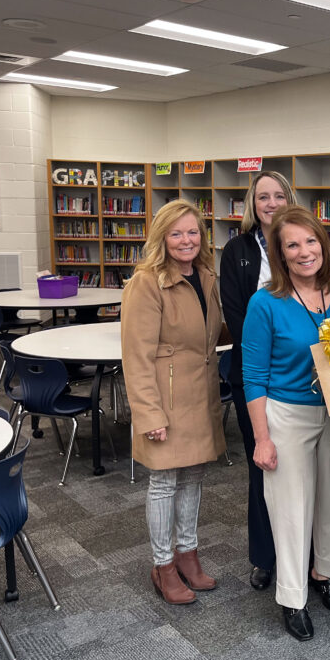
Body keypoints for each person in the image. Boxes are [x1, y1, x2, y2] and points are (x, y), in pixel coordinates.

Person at [241, 206, 330, 641]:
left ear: (323, 245)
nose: (304, 251)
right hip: (286, 414)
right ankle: (293, 597)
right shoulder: (265, 302)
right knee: (290, 509)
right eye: (292, 245)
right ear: (281, 253)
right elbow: (252, 375)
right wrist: (262, 438)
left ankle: (326, 574)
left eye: (311, 241)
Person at [121, 198, 226, 606]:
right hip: (164, 398)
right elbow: (136, 355)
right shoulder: (146, 283)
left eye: (193, 231)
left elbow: (213, 333)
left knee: (194, 476)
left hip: (200, 394)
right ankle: (163, 565)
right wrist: (148, 413)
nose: (187, 240)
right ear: (162, 238)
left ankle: (187, 554)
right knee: (164, 482)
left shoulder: (206, 276)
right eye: (177, 233)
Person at [220, 171, 297, 592]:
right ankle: (265, 557)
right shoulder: (237, 250)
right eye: (262, 196)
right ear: (253, 203)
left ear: (290, 199)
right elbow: (235, 315)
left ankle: (304, 554)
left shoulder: (304, 244)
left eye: (278, 195)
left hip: (302, 380)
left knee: (305, 471)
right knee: (263, 466)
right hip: (253, 377)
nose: (271, 203)